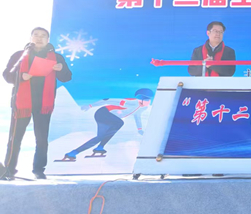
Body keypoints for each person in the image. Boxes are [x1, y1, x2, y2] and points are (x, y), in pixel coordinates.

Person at [1, 28, 72, 180]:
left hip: (43, 104)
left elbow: (67, 77)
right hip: (21, 104)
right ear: (31, 37)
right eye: (36, 35)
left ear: (48, 39)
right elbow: (7, 75)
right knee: (15, 139)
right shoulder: (19, 55)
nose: (39, 38)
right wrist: (21, 76)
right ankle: (8, 170)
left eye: (43, 36)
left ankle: (39, 170)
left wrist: (61, 69)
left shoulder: (56, 57)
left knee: (41, 139)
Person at [61, 88, 153, 161]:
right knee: (119, 123)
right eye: (147, 99)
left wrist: (139, 129)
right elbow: (107, 100)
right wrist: (90, 106)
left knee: (99, 137)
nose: (149, 102)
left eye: (149, 100)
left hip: (110, 118)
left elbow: (137, 116)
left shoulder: (143, 108)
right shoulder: (130, 102)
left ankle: (73, 153)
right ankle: (100, 146)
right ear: (141, 99)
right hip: (103, 113)